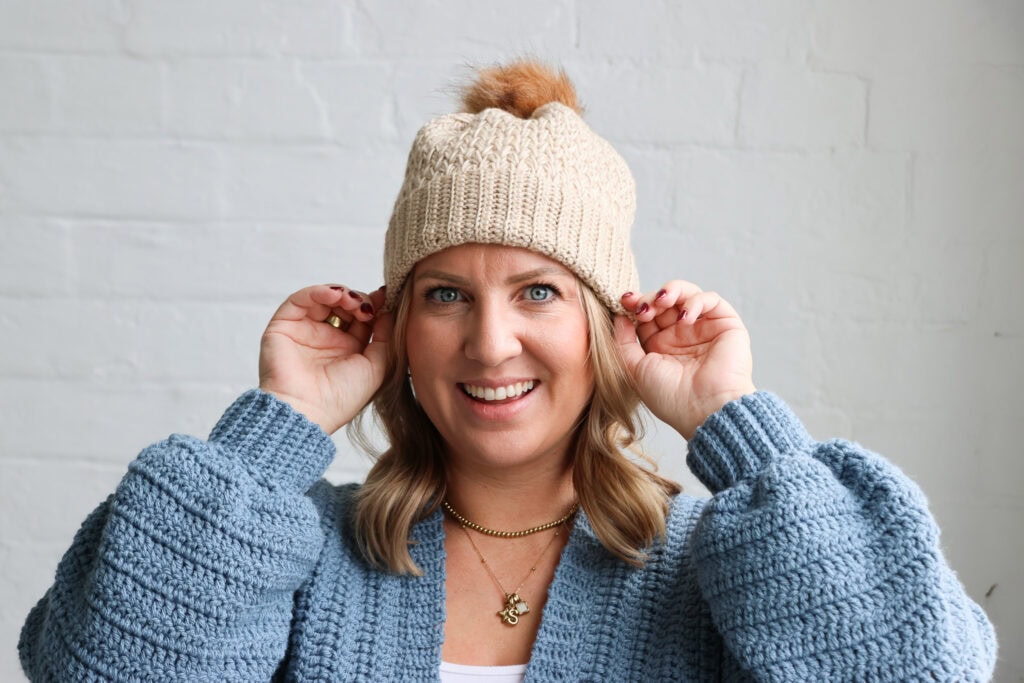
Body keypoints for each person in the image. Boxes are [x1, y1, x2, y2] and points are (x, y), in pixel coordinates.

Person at [19, 60, 996, 682]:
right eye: (446, 293)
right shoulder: (305, 552)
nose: (489, 344)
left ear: (605, 324)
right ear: (399, 326)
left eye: (538, 291)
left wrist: (735, 424)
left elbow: (921, 668)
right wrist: (279, 421)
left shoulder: (719, 566)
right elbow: (99, 666)